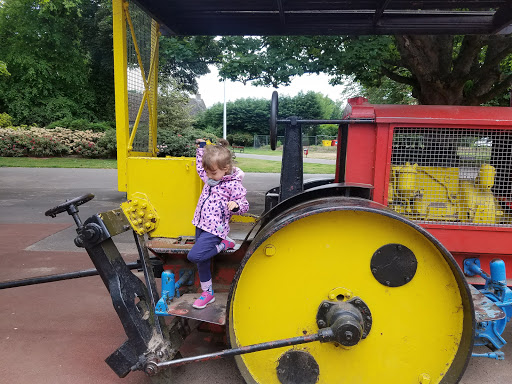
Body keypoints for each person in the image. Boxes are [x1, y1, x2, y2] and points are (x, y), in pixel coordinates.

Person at [187, 138, 249, 309]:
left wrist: (236, 206)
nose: (208, 176)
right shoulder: (210, 178)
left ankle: (224, 244)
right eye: (208, 173)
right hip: (200, 224)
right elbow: (201, 167)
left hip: (215, 229)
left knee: (195, 256)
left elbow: (244, 204)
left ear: (226, 169)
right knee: (203, 261)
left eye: (213, 173)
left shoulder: (233, 185)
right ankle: (208, 293)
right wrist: (201, 148)